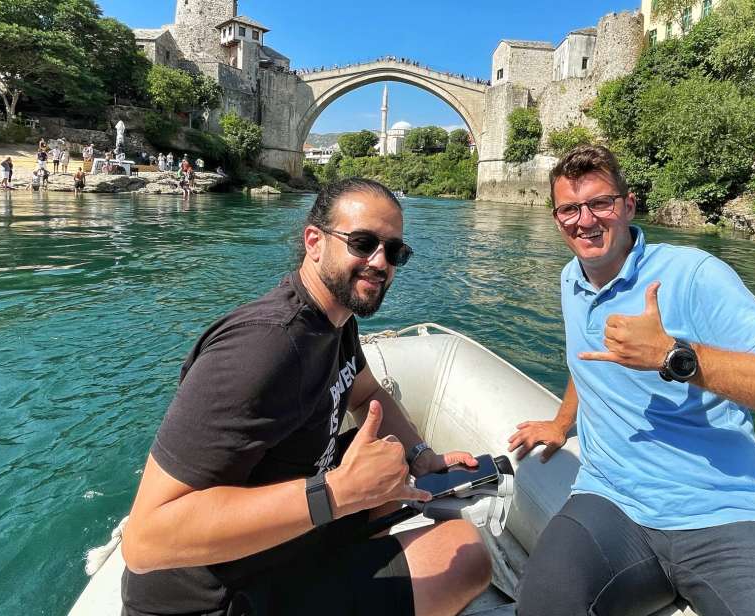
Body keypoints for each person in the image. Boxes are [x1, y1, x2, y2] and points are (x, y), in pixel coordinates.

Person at [120, 178, 492, 616]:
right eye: (363, 242)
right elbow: (144, 541)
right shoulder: (263, 349)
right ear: (313, 241)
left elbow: (367, 391)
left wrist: (421, 454)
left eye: (394, 252)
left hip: (282, 540)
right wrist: (335, 493)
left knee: (389, 461)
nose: (380, 263)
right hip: (213, 597)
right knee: (465, 552)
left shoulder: (336, 319)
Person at [511, 146, 755, 616]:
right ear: (557, 217)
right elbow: (588, 361)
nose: (585, 220)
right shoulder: (572, 278)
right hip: (611, 501)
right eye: (569, 209)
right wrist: (562, 424)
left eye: (601, 203)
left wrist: (673, 355)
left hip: (722, 510)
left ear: (628, 204)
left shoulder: (694, 275)